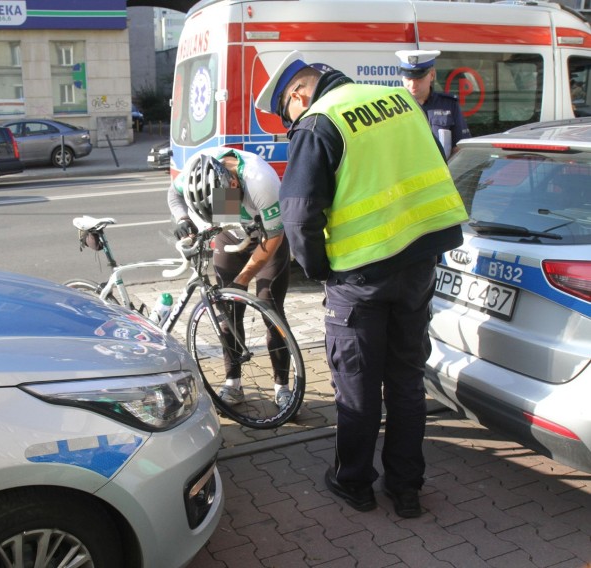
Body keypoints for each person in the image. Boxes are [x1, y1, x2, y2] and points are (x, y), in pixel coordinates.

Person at [255, 51, 468, 518]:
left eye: (287, 113)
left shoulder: (319, 122)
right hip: (417, 267)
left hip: (359, 280)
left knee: (357, 390)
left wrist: (320, 272)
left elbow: (298, 216)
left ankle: (354, 484)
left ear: (297, 94)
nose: (293, 120)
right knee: (408, 383)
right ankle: (407, 488)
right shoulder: (400, 101)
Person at [167, 147, 293, 409]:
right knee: (228, 315)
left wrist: (244, 278)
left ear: (233, 182)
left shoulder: (261, 181)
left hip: (268, 237)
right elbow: (174, 193)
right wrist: (182, 219)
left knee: (270, 310)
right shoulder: (197, 168)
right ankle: (233, 383)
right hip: (230, 232)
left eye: (225, 198)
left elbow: (273, 238)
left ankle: (283, 387)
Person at [395, 49, 470, 158]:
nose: (412, 84)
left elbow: (460, 148)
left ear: (432, 75)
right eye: (408, 78)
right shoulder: (393, 106)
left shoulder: (448, 105)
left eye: (419, 78)